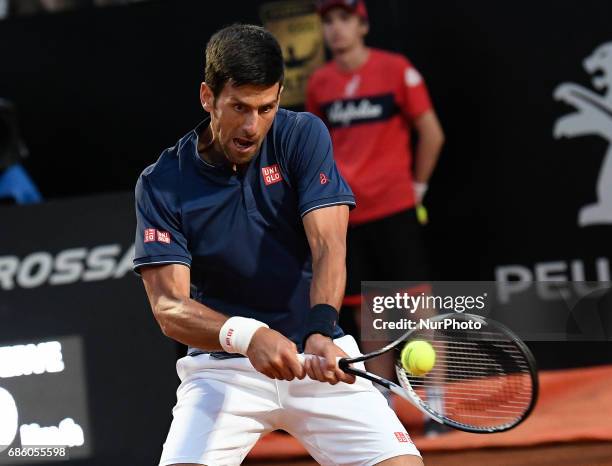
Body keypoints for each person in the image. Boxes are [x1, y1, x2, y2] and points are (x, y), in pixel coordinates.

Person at [133, 24, 423, 466]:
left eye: (266, 108)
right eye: (239, 107)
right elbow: (169, 308)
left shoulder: (302, 136)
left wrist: (321, 327)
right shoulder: (161, 184)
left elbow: (328, 245)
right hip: (222, 369)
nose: (252, 126)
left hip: (318, 351)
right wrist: (248, 336)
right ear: (207, 97)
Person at [306, 0, 445, 387]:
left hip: (395, 209)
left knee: (418, 309)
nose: (336, 29)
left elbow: (432, 133)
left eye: (345, 19)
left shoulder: (395, 68)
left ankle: (437, 408)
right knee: (368, 318)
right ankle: (382, 408)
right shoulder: (320, 83)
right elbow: (319, 149)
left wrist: (416, 190)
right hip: (347, 216)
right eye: (328, 21)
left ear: (362, 25)